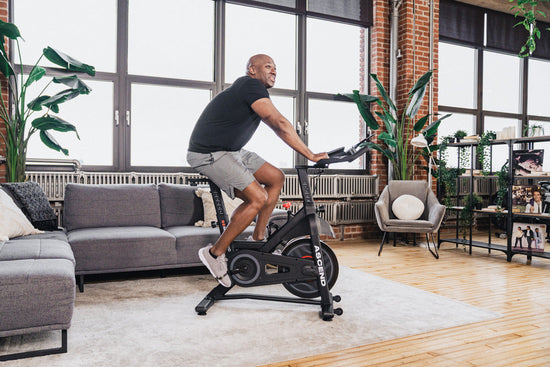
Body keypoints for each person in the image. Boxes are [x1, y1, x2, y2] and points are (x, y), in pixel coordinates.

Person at [187, 54, 329, 287]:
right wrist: (310, 155)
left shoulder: (254, 91)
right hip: (208, 153)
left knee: (276, 177)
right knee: (257, 198)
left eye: (276, 68)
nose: (274, 71)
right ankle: (214, 254)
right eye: (268, 66)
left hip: (232, 150)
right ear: (251, 69)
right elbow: (279, 124)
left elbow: (277, 124)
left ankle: (259, 239)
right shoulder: (248, 84)